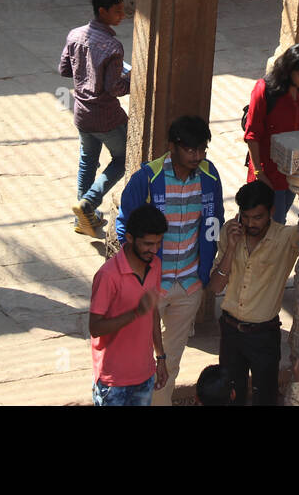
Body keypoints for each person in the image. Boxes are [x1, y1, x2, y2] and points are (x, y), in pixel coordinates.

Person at [115, 115, 223, 405]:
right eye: (191, 150)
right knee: (137, 357)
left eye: (202, 150)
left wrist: (205, 271)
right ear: (172, 147)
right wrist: (138, 275)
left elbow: (214, 223)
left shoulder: (209, 177)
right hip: (151, 287)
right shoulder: (147, 178)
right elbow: (125, 225)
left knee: (170, 361)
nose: (197, 156)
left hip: (189, 285)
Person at [208, 179, 299, 405]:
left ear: (272, 211)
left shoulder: (287, 239)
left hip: (264, 336)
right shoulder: (230, 231)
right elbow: (216, 287)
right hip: (230, 332)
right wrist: (230, 247)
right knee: (230, 396)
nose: (251, 223)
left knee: (266, 397)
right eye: (246, 217)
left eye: (257, 217)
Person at [60, 0, 131, 238]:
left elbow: (65, 70)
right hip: (107, 117)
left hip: (82, 113)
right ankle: (89, 203)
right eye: (118, 11)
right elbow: (115, 88)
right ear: (103, 11)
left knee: (88, 160)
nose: (122, 15)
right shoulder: (113, 46)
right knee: (123, 159)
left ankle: (84, 219)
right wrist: (132, 77)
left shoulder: (75, 35)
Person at [89, 204, 168, 406]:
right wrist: (135, 313)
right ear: (131, 238)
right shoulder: (108, 276)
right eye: (148, 244)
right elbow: (95, 327)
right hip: (113, 382)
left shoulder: (155, 265)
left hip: (144, 375)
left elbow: (153, 314)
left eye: (158, 243)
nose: (154, 250)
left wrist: (160, 358)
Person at [244, 43, 299, 224]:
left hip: (294, 173)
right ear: (289, 70)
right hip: (268, 173)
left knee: (279, 220)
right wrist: (259, 173)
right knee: (269, 224)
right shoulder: (265, 90)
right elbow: (252, 134)